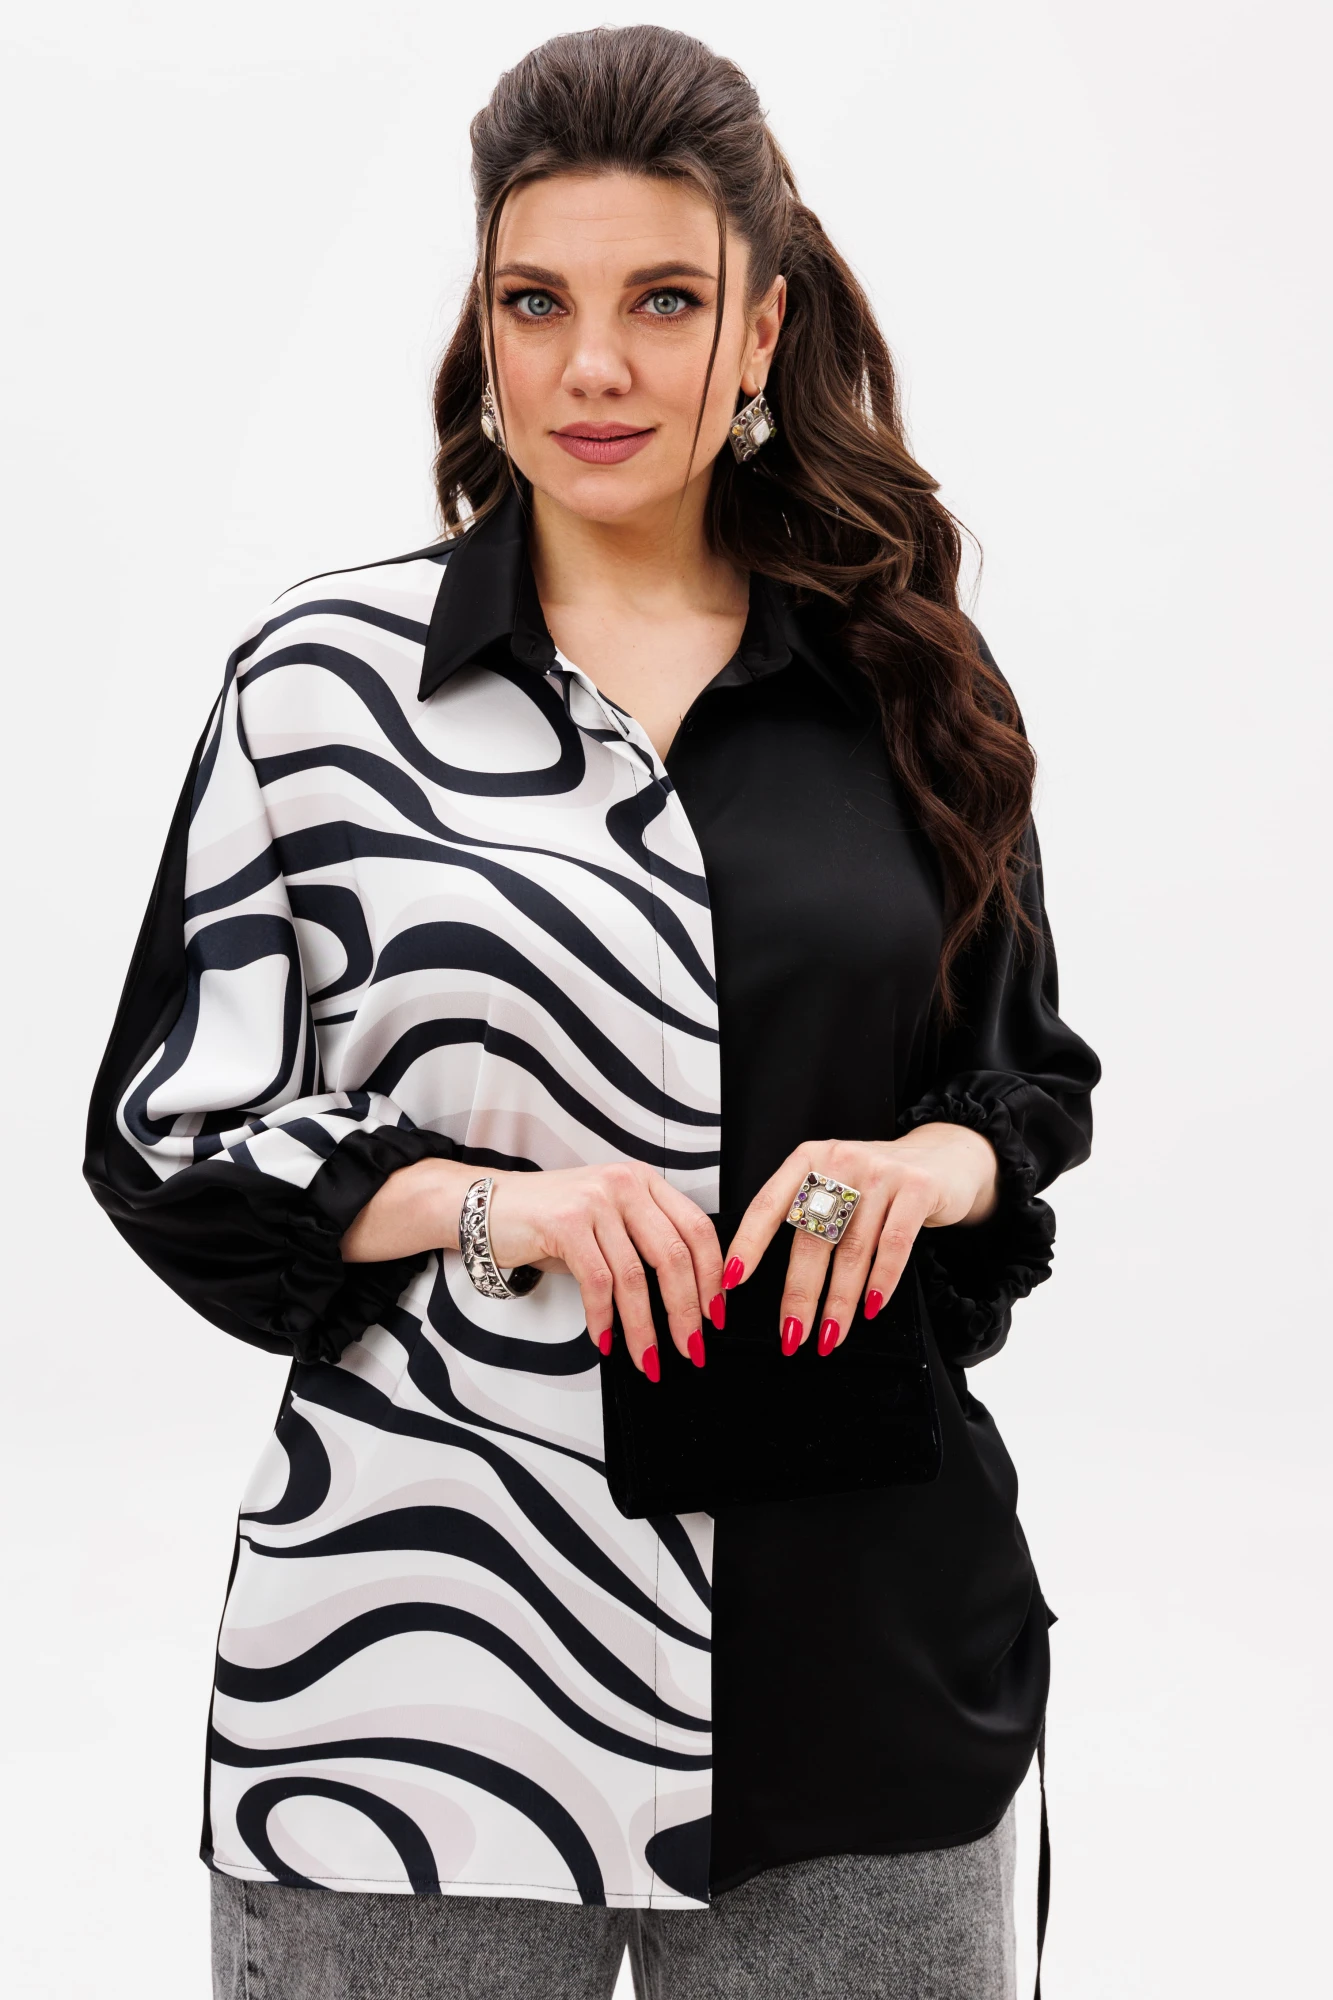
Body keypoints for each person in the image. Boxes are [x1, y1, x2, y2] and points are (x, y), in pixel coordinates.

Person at [84, 24, 1100, 2000]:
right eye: (538, 302)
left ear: (761, 327)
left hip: (859, 1670)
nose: (596, 367)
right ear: (484, 322)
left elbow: (1023, 1079)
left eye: (665, 301)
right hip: (416, 1682)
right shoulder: (318, 690)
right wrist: (491, 1202)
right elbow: (168, 1134)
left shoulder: (909, 681)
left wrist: (929, 1164)